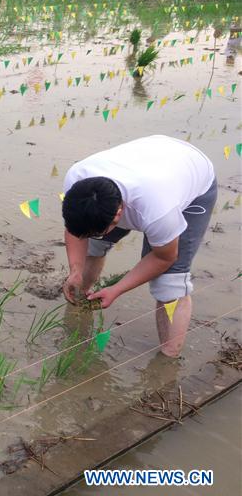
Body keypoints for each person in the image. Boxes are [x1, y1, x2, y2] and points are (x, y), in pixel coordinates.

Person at [61, 135, 217, 358]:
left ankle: (167, 361)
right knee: (92, 248)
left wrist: (117, 289)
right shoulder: (77, 182)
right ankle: (80, 301)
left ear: (118, 216)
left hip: (192, 174)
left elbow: (164, 258)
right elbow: (76, 230)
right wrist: (75, 270)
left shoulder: (157, 210)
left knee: (170, 284)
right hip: (150, 158)